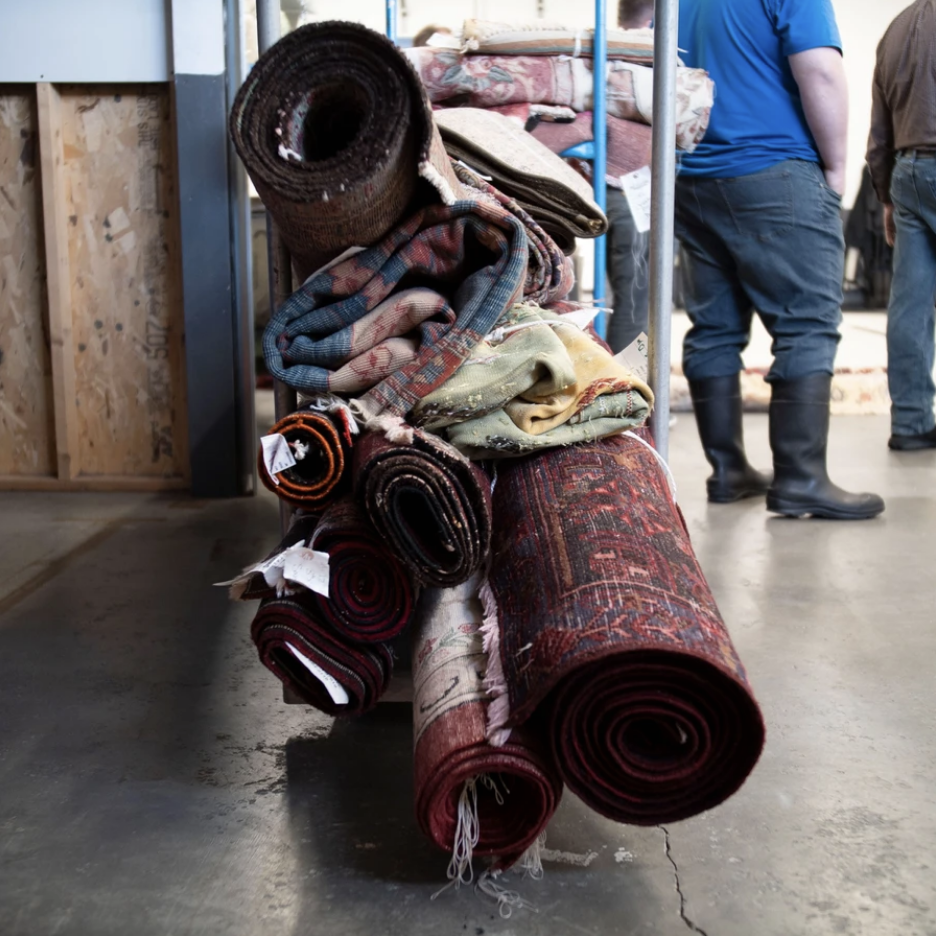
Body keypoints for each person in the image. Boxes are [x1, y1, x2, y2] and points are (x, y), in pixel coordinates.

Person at [674, 0, 884, 520]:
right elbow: (820, 72)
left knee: (715, 327)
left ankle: (728, 471)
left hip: (693, 177)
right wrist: (837, 171)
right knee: (807, 325)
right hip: (774, 167)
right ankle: (801, 478)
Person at [867, 0, 936, 452]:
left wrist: (886, 196)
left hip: (908, 171)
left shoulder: (898, 28)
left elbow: (879, 129)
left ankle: (910, 423)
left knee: (910, 304)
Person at [605, 0, 655, 354]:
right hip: (634, 192)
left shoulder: (600, 54)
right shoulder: (654, 58)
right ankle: (625, 403)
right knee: (637, 300)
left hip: (588, 189)